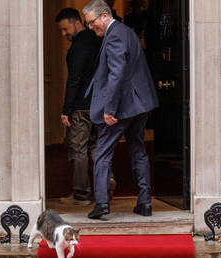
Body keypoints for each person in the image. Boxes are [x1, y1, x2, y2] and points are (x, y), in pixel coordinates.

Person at [82, 0, 159, 219]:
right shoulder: (126, 32)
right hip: (140, 104)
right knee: (138, 149)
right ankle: (145, 203)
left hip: (122, 106)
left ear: (104, 15)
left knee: (103, 153)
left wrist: (109, 109)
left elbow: (117, 73)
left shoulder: (114, 34)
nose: (90, 27)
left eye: (92, 22)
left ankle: (102, 204)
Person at [55, 8, 101, 206]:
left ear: (76, 22)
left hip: (81, 106)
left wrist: (67, 109)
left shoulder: (78, 47)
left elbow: (74, 79)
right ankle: (106, 182)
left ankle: (81, 195)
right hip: (100, 103)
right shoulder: (98, 39)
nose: (64, 34)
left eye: (65, 29)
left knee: (78, 148)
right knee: (96, 146)